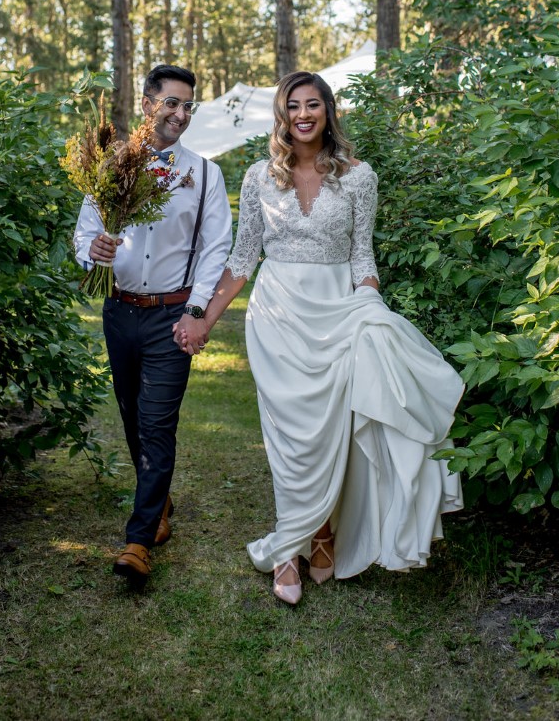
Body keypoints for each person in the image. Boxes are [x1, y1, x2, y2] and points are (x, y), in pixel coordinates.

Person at [175, 70, 464, 605]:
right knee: (289, 437)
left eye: (313, 104)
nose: (303, 114)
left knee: (331, 432)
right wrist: (204, 318)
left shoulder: (358, 177)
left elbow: (362, 255)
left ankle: (325, 533)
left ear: (329, 110)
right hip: (277, 315)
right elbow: (243, 259)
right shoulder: (261, 176)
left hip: (338, 311)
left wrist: (370, 302)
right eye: (293, 106)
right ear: (282, 116)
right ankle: (289, 546)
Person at [74, 65, 232, 587]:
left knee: (157, 423)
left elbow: (215, 250)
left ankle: (139, 540)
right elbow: (85, 233)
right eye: (171, 103)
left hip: (171, 315)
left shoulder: (205, 174)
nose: (181, 114)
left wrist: (197, 311)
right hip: (118, 311)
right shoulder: (111, 166)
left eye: (189, 106)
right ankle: (159, 503)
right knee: (131, 418)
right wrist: (90, 252)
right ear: (147, 105)